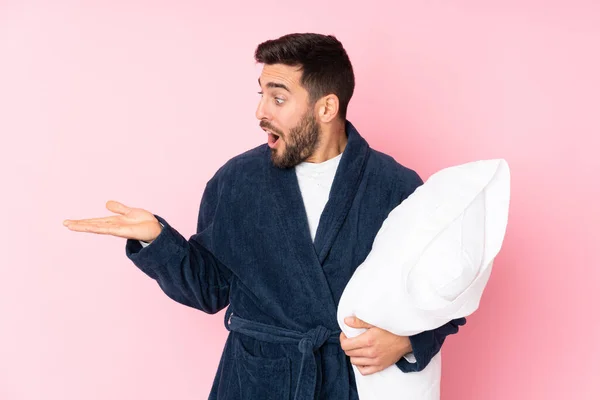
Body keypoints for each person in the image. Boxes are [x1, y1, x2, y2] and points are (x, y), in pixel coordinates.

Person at [63, 33, 466, 400]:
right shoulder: (237, 180)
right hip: (256, 381)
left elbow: (444, 294)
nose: (260, 111)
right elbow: (210, 291)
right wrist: (157, 240)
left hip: (350, 385)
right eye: (260, 95)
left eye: (277, 98)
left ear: (327, 106)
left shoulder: (396, 187)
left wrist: (408, 342)